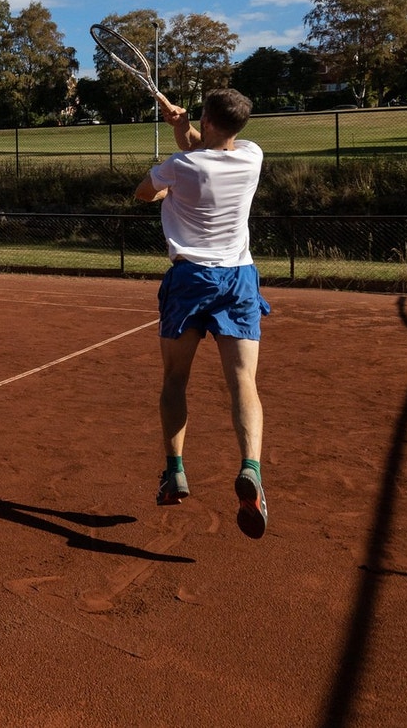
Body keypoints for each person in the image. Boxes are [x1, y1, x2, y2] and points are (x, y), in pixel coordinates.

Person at [134, 88, 270, 539]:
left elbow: (142, 194)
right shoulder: (252, 156)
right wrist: (179, 125)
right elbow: (202, 150)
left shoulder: (181, 167)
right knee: (243, 382)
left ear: (209, 120)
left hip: (190, 280)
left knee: (175, 380)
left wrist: (165, 186)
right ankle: (251, 467)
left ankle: (174, 471)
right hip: (239, 279)